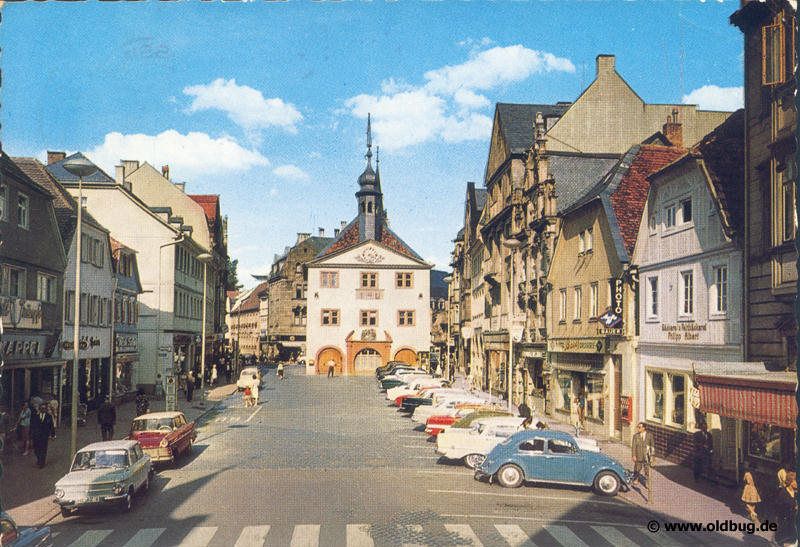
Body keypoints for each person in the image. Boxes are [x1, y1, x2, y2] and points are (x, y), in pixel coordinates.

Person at [774, 471, 797, 546]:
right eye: (796, 481)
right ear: (790, 482)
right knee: (783, 539)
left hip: (793, 520)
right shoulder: (783, 493)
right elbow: (778, 507)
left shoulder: (796, 493)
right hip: (785, 520)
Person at [30, 402, 55, 468]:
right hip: (36, 435)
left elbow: (51, 426)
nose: (43, 409)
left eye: (44, 408)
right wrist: (31, 435)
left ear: (46, 409)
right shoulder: (36, 416)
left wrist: (52, 435)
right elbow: (32, 425)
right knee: (36, 449)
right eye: (41, 408)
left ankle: (42, 463)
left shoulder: (48, 417)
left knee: (43, 449)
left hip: (44, 436)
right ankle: (39, 459)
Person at [631, 421, 654, 487]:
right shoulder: (636, 436)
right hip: (639, 455)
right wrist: (634, 455)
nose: (638, 429)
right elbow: (633, 447)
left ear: (644, 428)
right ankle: (636, 478)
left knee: (647, 470)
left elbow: (652, 446)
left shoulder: (649, 436)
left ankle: (647, 482)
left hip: (647, 456)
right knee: (637, 468)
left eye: (639, 427)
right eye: (638, 427)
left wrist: (652, 456)